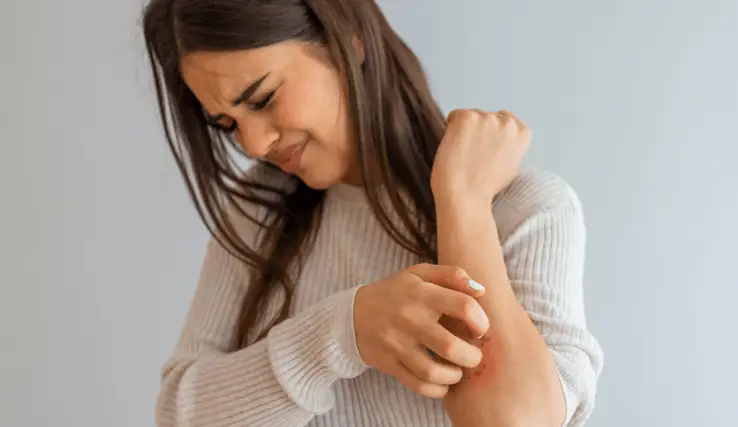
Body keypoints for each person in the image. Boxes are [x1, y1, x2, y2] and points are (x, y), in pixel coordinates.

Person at [142, 1, 603, 426]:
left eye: (262, 100)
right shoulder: (260, 212)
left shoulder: (523, 210)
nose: (254, 145)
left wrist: (462, 203)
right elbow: (179, 414)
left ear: (348, 40)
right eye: (228, 124)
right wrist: (344, 331)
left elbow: (512, 422)